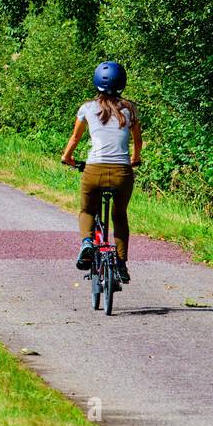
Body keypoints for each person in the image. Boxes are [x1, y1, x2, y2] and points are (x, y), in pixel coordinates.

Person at [60, 60, 142, 282]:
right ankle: (122, 263)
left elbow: (75, 137)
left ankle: (87, 242)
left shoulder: (87, 108)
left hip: (94, 170)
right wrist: (134, 159)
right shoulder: (130, 109)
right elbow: (137, 140)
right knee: (120, 215)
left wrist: (67, 157)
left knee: (87, 211)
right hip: (122, 173)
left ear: (96, 83)